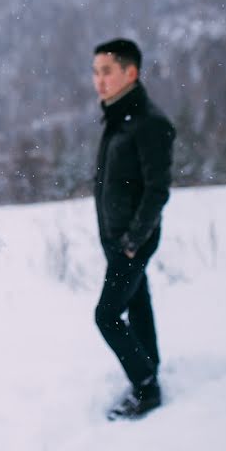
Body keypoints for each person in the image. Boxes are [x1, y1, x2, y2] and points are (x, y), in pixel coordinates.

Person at [90, 38, 176, 421]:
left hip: (132, 240)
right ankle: (150, 364)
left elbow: (156, 191)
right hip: (117, 238)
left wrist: (130, 242)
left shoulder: (150, 123)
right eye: (95, 72)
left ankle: (146, 387)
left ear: (131, 72)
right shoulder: (117, 117)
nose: (99, 80)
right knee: (138, 302)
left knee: (107, 316)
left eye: (107, 71)